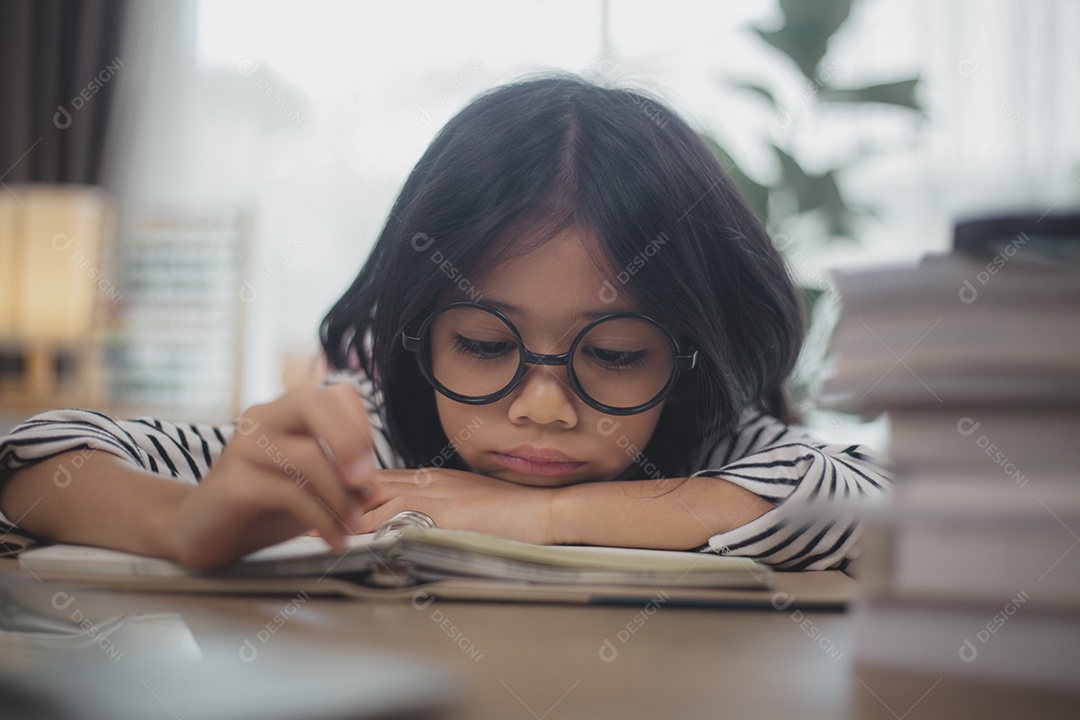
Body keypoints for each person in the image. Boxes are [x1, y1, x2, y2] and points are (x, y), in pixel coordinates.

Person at [0, 74, 889, 571]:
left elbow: (872, 500)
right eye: (485, 344)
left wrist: (539, 518)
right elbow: (38, 454)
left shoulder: (714, 445)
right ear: (419, 333)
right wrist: (178, 526)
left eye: (615, 354)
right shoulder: (375, 439)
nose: (543, 406)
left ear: (686, 352)